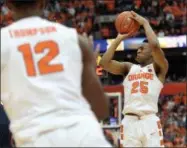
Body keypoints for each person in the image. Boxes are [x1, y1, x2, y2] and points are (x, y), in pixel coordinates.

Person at [1, 0, 111, 147]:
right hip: (85, 135)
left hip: (36, 138)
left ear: (8, 5)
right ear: (43, 3)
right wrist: (90, 68)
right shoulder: (77, 40)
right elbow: (101, 109)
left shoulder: (3, 41)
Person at [100, 11, 169, 147]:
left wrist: (145, 23)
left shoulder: (159, 68)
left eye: (142, 48)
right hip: (129, 121)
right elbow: (104, 63)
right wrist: (118, 39)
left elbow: (155, 45)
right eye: (137, 49)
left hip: (149, 120)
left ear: (151, 52)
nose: (138, 50)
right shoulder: (128, 67)